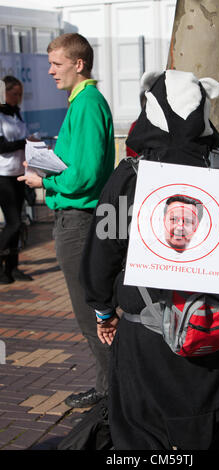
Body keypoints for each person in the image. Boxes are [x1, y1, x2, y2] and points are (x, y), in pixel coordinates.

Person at [80, 70, 219, 450]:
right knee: (214, 428)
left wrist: (102, 311)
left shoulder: (129, 176)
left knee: (141, 436)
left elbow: (101, 254)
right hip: (216, 330)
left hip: (146, 336)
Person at [18, 33, 115, 408]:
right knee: (92, 311)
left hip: (80, 220)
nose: (50, 71)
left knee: (92, 311)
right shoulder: (81, 101)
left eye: (56, 64)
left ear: (79, 64)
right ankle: (111, 389)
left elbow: (86, 174)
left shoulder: (88, 103)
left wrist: (45, 179)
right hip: (75, 217)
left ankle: (114, 395)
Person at [0, 75, 33, 284]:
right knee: (13, 222)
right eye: (15, 94)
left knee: (18, 224)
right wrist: (24, 142)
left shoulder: (16, 114)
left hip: (18, 174)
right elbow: (2, 147)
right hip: (2, 175)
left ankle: (11, 269)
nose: (19, 98)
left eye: (21, 94)